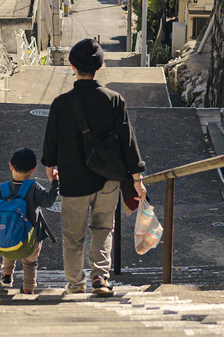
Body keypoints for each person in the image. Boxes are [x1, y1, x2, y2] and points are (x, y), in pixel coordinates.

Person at [42, 38, 146, 296]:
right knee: (102, 228)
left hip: (74, 181)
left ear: (71, 65)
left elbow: (50, 144)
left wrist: (50, 167)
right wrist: (137, 177)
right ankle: (100, 278)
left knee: (73, 236)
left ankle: (76, 284)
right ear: (100, 67)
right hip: (108, 180)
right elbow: (128, 141)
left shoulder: (61, 104)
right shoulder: (114, 100)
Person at [0, 147, 59, 294]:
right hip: (32, 236)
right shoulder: (34, 188)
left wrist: (3, 216)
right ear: (32, 170)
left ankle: (6, 275)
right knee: (30, 263)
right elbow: (48, 201)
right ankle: (28, 288)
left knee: (10, 244)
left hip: (7, 239)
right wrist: (55, 183)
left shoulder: (2, 189)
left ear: (10, 165)